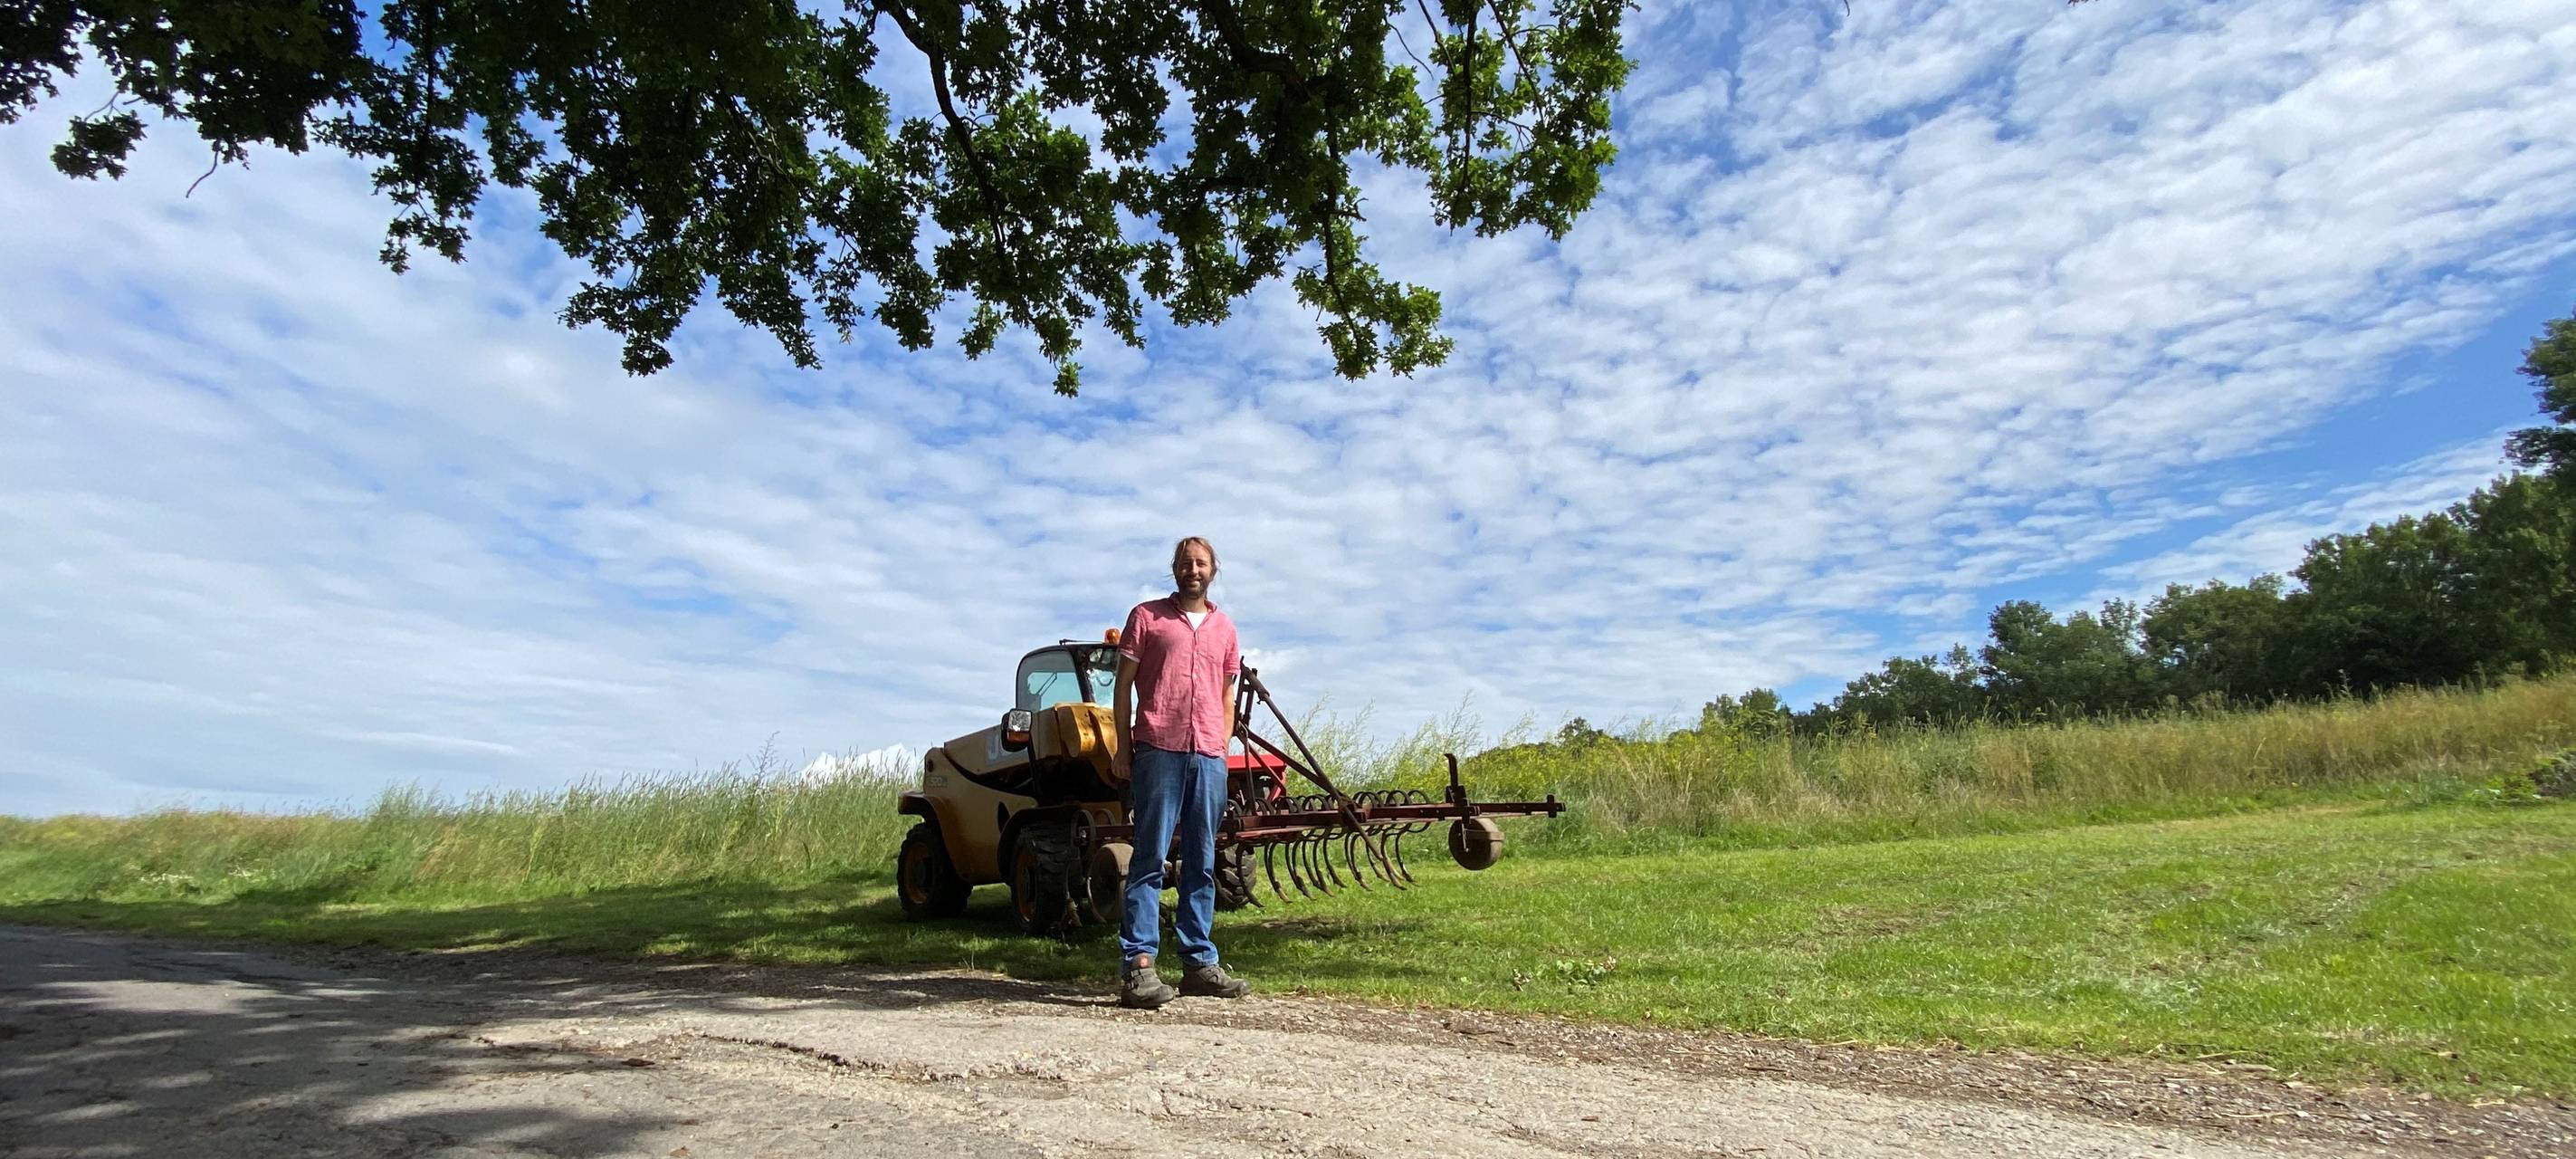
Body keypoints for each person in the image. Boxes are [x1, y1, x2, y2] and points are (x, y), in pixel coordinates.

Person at [1110, 535, 1255, 1009]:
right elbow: (1124, 687)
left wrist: (1221, 742)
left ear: (1213, 570)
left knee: (1202, 860)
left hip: (1208, 754)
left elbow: (1227, 694)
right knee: (1149, 857)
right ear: (1174, 569)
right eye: (1185, 562)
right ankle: (1139, 967)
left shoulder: (1226, 629)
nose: (1193, 569)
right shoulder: (1147, 618)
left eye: (1202, 563)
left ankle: (1198, 963)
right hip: (1159, 749)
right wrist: (1123, 747)